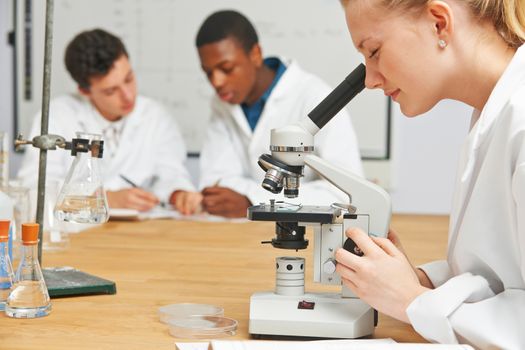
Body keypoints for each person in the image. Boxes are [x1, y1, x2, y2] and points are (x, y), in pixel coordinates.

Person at [335, 0, 525, 348]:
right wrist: (422, 281)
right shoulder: (494, 113)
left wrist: (412, 300)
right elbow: (504, 275)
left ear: (439, 23)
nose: (371, 80)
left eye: (374, 51)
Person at [176, 10, 364, 218]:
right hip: (243, 233)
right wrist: (247, 199)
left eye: (226, 68)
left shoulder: (317, 98)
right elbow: (216, 181)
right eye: (208, 72)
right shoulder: (223, 103)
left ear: (255, 54)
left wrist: (254, 200)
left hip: (307, 232)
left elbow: (346, 193)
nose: (216, 82)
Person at [17, 29, 195, 212]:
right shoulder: (56, 117)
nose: (128, 95)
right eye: (111, 91)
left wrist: (179, 194)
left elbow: (172, 173)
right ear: (85, 91)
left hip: (142, 231)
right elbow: (35, 190)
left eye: (129, 79)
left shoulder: (155, 116)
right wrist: (103, 198)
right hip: (78, 232)